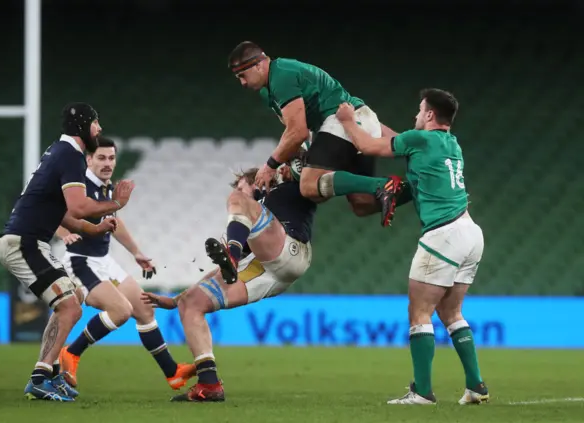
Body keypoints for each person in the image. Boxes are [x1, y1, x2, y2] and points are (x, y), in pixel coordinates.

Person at [335, 89, 488, 405]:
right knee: (451, 311)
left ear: (430, 114)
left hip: (443, 233)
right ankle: (476, 387)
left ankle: (422, 392)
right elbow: (413, 157)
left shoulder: (419, 140)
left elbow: (366, 146)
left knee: (419, 313)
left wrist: (348, 121)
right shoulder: (452, 144)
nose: (416, 116)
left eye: (420, 110)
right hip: (470, 231)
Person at [0, 103, 135, 401]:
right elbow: (78, 207)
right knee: (71, 306)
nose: (99, 128)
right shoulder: (71, 155)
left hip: (26, 240)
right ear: (84, 126)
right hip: (25, 242)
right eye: (96, 123)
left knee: (75, 298)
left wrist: (94, 229)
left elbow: (61, 212)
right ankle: (40, 377)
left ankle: (51, 371)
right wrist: (116, 204)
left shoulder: (58, 152)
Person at [142, 165, 316, 402]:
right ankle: (209, 384)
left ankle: (231, 255)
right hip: (264, 270)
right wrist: (176, 300)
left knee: (237, 203)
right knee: (191, 304)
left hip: (289, 249)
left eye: (243, 187)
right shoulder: (252, 230)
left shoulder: (288, 188)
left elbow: (318, 180)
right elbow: (225, 272)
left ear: (258, 182)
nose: (240, 192)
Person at [55, 137, 196, 391]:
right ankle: (71, 353)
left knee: (144, 310)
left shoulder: (108, 187)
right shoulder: (79, 186)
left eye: (111, 158)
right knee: (120, 311)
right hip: (80, 262)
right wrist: (64, 234)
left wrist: (136, 253)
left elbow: (114, 222)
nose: (107, 163)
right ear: (89, 159)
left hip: (104, 261)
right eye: (101, 158)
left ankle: (172, 373)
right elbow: (50, 212)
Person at [227, 40, 411, 226]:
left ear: (258, 65)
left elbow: (297, 131)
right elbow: (299, 133)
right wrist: (293, 161)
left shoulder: (281, 76)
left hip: (344, 120)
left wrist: (270, 166)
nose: (242, 83)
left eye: (243, 75)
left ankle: (382, 185)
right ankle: (420, 190)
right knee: (362, 204)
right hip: (352, 122)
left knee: (308, 185)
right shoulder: (269, 89)